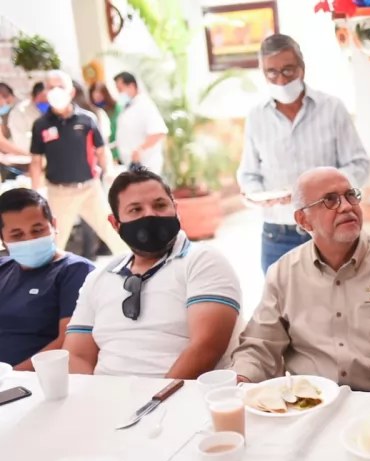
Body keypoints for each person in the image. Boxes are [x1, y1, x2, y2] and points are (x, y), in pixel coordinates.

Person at [230, 167, 370, 393]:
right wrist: (240, 380)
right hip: (310, 403)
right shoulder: (283, 273)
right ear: (303, 220)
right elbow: (259, 347)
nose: (347, 206)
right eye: (330, 200)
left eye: (350, 195)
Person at [64, 168, 241, 379]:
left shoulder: (202, 261)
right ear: (115, 224)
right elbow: (77, 356)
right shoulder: (97, 279)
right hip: (107, 399)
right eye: (135, 210)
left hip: (176, 399)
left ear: (176, 209)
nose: (149, 214)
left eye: (160, 205)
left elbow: (206, 348)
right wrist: (91, 399)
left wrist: (153, 402)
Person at [238, 34, 370, 273]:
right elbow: (248, 174)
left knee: (337, 304)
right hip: (277, 234)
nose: (280, 80)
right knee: (282, 306)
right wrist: (260, 195)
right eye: (272, 73)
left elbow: (359, 165)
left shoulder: (332, 108)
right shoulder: (256, 116)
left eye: (288, 71)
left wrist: (326, 192)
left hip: (329, 229)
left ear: (302, 68)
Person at [29, 70, 128, 255]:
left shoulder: (87, 119)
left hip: (90, 189)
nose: (56, 91)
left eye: (60, 86)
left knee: (113, 231)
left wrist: (109, 170)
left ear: (71, 91)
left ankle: (137, 268)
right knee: (55, 241)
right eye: (51, 87)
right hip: (59, 192)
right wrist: (35, 193)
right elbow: (36, 161)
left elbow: (101, 149)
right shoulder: (41, 124)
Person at [0, 188, 93, 370]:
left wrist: (12, 376)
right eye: (17, 235)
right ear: (3, 238)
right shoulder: (3, 268)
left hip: (34, 380)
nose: (29, 239)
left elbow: (68, 340)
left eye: (38, 230)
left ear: (53, 225)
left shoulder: (75, 271)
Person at [113, 71, 167, 173]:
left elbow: (158, 132)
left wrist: (140, 149)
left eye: (120, 89)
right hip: (131, 166)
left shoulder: (145, 105)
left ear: (132, 86)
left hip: (146, 165)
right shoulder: (128, 107)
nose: (119, 94)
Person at [7, 82, 46, 153]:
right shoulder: (20, 111)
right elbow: (20, 139)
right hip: (26, 156)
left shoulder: (55, 111)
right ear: (33, 97)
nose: (45, 102)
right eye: (42, 100)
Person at [89, 81, 121, 163]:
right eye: (94, 91)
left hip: (116, 149)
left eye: (100, 92)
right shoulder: (90, 112)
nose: (97, 95)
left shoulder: (115, 108)